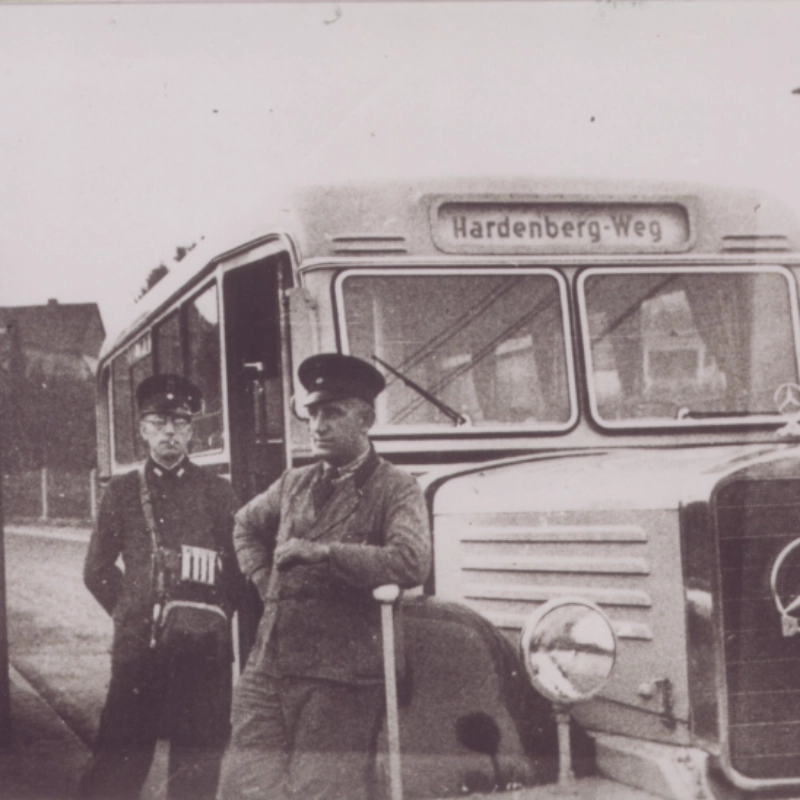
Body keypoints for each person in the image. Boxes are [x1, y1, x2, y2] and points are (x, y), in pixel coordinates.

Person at [218, 353, 431, 800]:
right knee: (245, 787)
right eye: (312, 413)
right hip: (270, 667)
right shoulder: (294, 482)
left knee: (321, 792)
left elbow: (412, 562)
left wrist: (325, 553)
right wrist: (262, 579)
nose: (317, 425)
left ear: (366, 419)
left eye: (332, 413)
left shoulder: (395, 487)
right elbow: (243, 524)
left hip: (341, 678)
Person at [78, 374, 243, 800]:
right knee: (117, 769)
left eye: (180, 422)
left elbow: (240, 572)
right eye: (158, 421)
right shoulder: (123, 491)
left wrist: (211, 616)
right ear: (143, 430)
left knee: (196, 772)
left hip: (204, 654)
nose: (170, 431)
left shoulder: (218, 491)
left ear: (191, 430)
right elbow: (96, 570)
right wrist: (135, 616)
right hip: (140, 653)